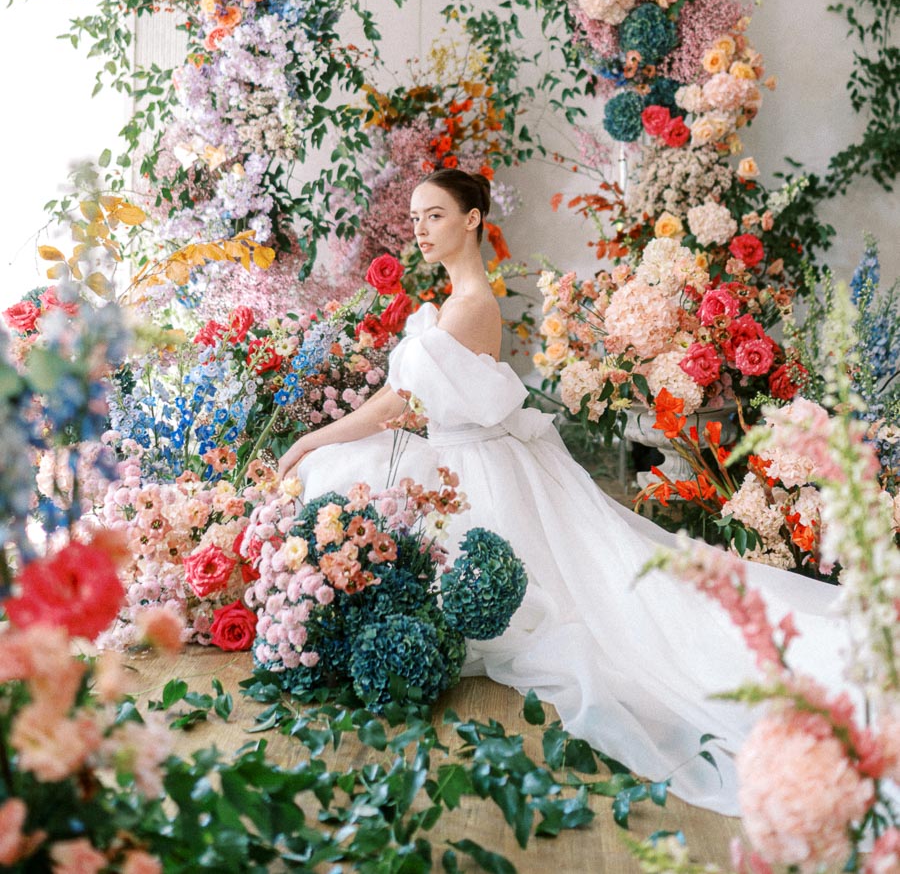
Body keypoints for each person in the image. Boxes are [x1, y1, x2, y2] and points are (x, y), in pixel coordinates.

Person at [277, 167, 847, 815]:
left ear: (471, 220)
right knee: (338, 477)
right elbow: (403, 405)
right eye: (414, 219)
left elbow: (394, 405)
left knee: (326, 471)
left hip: (470, 464)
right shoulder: (445, 308)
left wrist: (309, 441)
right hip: (455, 452)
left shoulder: (467, 309)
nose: (420, 230)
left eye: (434, 215)